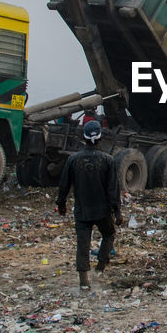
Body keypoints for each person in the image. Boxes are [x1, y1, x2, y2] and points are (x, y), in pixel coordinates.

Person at [56, 120, 122, 290]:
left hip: (82, 210)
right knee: (109, 234)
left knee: (83, 244)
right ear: (100, 138)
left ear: (83, 137)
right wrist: (117, 211)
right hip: (102, 210)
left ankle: (84, 280)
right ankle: (100, 265)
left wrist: (61, 204)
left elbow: (64, 185)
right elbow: (112, 189)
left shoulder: (73, 159)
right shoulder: (108, 160)